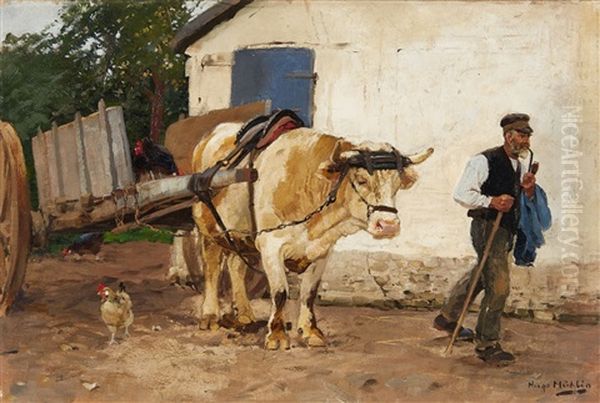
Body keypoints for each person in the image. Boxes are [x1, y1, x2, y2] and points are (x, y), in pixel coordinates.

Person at [433, 113, 537, 364]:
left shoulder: (519, 165)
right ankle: (487, 343)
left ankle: (447, 317)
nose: (525, 141)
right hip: (487, 226)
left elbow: (517, 199)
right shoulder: (484, 160)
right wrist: (491, 201)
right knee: (499, 285)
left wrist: (527, 188)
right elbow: (461, 194)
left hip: (505, 229)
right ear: (508, 136)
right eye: (521, 136)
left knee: (482, 273)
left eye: (527, 136)